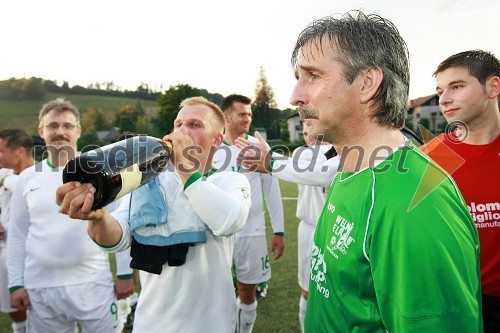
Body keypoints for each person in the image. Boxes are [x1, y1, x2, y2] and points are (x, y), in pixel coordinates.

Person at [239, 11, 482, 332]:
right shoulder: (349, 173)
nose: (295, 96)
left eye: (312, 76)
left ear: (367, 83)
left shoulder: (416, 202)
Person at [56, 96, 252, 333]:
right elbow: (115, 239)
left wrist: (185, 168)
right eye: (178, 125)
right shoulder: (148, 182)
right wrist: (98, 217)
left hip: (212, 325)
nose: (182, 131)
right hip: (151, 325)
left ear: (217, 139)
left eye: (194, 125)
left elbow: (230, 221)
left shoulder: (229, 180)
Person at [7, 98, 131, 332]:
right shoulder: (27, 177)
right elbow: (18, 234)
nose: (60, 132)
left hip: (93, 283)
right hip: (41, 288)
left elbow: (121, 221)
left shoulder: (102, 172)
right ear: (41, 130)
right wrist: (16, 284)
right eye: (53, 125)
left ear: (78, 131)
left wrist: (124, 273)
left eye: (67, 126)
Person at [422, 50, 500, 333]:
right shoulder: (426, 159)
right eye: (440, 91)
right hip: (453, 303)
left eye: (457, 86)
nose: (444, 99)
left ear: (492, 87)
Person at [214, 94, 284, 332]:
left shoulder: (256, 149)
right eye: (242, 114)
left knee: (247, 290)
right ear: (226, 117)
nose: (247, 118)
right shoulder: (210, 149)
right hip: (218, 233)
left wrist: (279, 230)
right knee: (217, 291)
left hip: (251, 231)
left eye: (249, 114)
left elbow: (271, 191)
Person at [291, 126, 332, 332]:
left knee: (334, 291)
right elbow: (319, 171)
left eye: (314, 131)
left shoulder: (340, 151)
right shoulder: (302, 153)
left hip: (335, 230)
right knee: (307, 290)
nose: (311, 137)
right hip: (309, 230)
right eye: (306, 133)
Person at [0, 129, 35, 333]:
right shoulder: (4, 174)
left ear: (19, 151)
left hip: (34, 253)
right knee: (11, 303)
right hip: (5, 250)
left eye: (1, 150)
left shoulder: (41, 175)